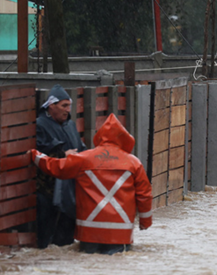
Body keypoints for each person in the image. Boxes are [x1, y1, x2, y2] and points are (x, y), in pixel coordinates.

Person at [29, 113, 153, 255]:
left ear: (100, 136)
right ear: (124, 138)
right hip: (120, 233)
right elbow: (144, 195)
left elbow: (56, 167)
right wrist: (145, 222)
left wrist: (34, 155)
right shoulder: (134, 162)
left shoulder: (85, 158)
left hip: (89, 232)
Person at [35, 84, 87, 248]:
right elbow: (38, 154)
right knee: (47, 237)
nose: (67, 110)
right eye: (64, 106)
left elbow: (82, 149)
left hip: (71, 191)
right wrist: (63, 156)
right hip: (48, 191)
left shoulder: (70, 125)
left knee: (66, 239)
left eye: (69, 106)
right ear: (51, 106)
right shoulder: (39, 125)